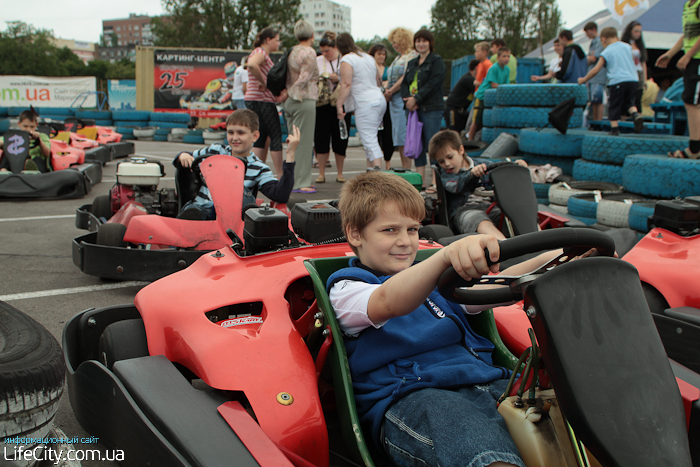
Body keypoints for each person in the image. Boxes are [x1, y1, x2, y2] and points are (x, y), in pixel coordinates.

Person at [328, 170, 569, 467]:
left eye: (413, 230)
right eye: (390, 230)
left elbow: (508, 283)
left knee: (573, 422)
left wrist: (559, 258)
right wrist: (442, 258)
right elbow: (389, 301)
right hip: (413, 396)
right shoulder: (348, 288)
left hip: (487, 382)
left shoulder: (440, 283)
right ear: (355, 234)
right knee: (487, 456)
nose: (405, 242)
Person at [174, 109, 298, 220]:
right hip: (200, 209)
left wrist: (290, 154)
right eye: (231, 132)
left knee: (241, 196)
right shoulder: (216, 151)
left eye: (241, 133)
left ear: (255, 136)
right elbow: (186, 156)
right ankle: (189, 220)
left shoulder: (258, 168)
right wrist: (182, 155)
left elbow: (280, 195)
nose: (234, 138)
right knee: (193, 210)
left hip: (232, 218)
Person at [430, 129, 527, 237]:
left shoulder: (482, 164)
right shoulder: (446, 175)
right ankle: (504, 246)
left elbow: (500, 171)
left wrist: (516, 166)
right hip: (465, 211)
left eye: (450, 157)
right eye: (441, 161)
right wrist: (472, 175)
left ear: (461, 150)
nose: (447, 164)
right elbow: (457, 186)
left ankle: (539, 245)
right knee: (479, 219)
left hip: (490, 207)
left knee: (513, 215)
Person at [401, 28, 445, 192]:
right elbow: (404, 83)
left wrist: (417, 99)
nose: (421, 44)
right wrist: (407, 99)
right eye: (418, 41)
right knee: (416, 144)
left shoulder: (436, 61)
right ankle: (420, 181)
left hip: (430, 108)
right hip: (412, 109)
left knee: (432, 144)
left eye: (424, 41)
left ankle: (435, 181)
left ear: (430, 43)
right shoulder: (412, 63)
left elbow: (434, 83)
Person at [579, 27, 644, 135]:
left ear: (603, 39)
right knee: (629, 102)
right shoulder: (627, 47)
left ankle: (614, 129)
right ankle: (635, 114)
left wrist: (584, 79)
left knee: (614, 105)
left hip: (617, 81)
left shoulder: (607, 51)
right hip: (633, 79)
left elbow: (595, 70)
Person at [336, 33, 387, 169]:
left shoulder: (347, 59)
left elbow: (346, 84)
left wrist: (339, 104)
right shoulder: (367, 57)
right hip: (378, 99)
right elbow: (378, 80)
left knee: (369, 141)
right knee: (371, 139)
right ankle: (371, 174)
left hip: (365, 103)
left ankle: (378, 176)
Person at [656, 0, 700, 159]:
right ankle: (695, 147)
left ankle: (695, 149)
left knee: (692, 103)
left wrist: (687, 56)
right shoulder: (688, 5)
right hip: (692, 59)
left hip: (697, 59)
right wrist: (670, 54)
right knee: (690, 103)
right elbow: (687, 35)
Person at [282, 19, 318, 194]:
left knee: (292, 142)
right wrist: (292, 91)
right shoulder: (309, 52)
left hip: (289, 102)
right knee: (303, 143)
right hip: (303, 100)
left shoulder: (292, 51)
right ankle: (301, 182)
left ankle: (291, 180)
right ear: (312, 35)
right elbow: (304, 77)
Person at [245, 26, 286, 178]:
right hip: (260, 100)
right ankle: (280, 174)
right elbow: (251, 64)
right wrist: (265, 82)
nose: (279, 43)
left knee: (260, 136)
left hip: (257, 100)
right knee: (275, 134)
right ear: (268, 40)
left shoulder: (262, 54)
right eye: (277, 40)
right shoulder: (260, 52)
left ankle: (257, 171)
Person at [314, 31, 350, 183]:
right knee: (321, 139)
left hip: (341, 103)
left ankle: (339, 173)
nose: (325, 53)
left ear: (335, 47)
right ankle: (321, 173)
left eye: (327, 50)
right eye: (322, 51)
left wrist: (338, 78)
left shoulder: (344, 59)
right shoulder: (317, 61)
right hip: (322, 104)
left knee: (340, 140)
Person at [384, 27, 419, 169]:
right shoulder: (398, 57)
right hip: (394, 100)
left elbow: (406, 76)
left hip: (402, 98)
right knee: (398, 136)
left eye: (395, 42)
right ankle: (405, 167)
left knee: (404, 136)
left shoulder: (412, 56)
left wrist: (391, 90)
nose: (393, 45)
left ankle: (408, 168)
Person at [469, 47, 512, 141]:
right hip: (481, 96)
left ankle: (478, 139)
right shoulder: (494, 68)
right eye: (504, 56)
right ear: (498, 57)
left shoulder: (507, 70)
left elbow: (506, 84)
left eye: (508, 56)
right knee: (476, 120)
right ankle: (470, 139)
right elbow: (493, 84)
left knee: (485, 121)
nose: (506, 58)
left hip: (492, 98)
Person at [369, 43, 395, 169]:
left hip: (387, 104)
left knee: (387, 133)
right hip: (373, 105)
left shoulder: (389, 70)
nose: (381, 56)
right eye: (379, 54)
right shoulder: (370, 68)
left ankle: (388, 163)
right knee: (374, 134)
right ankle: (374, 163)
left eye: (383, 54)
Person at [0, 108, 52, 173]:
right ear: (19, 124)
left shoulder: (42, 136)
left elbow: (46, 153)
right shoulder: (14, 136)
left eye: (32, 127)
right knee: (7, 155)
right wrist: (11, 142)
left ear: (36, 125)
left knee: (37, 159)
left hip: (35, 162)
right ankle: (4, 172)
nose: (28, 129)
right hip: (16, 162)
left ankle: (31, 169)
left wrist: (38, 140)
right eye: (25, 126)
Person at [444, 59, 478, 134]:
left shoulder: (471, 79)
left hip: (461, 111)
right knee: (452, 131)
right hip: (452, 108)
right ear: (476, 68)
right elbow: (480, 89)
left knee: (462, 129)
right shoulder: (468, 79)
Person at [621, 21, 648, 114]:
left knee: (638, 96)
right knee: (627, 97)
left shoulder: (640, 45)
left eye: (639, 32)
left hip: (638, 71)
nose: (638, 34)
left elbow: (643, 61)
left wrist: (645, 78)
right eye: (635, 31)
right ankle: (625, 117)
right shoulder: (624, 44)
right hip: (628, 72)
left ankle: (638, 118)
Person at [584, 22, 607, 121]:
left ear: (594, 29)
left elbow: (593, 58)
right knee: (594, 101)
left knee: (598, 100)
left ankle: (599, 121)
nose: (587, 35)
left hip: (598, 76)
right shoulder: (593, 42)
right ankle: (595, 121)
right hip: (593, 77)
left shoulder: (599, 42)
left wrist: (587, 58)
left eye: (588, 32)